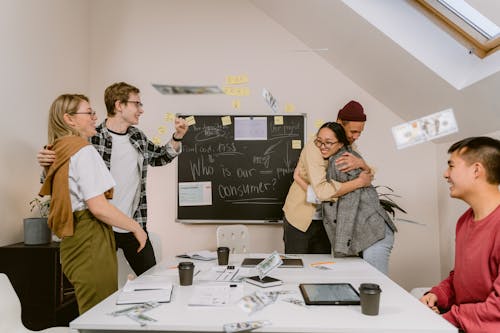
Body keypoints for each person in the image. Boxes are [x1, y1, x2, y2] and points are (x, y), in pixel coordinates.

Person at [38, 82, 188, 276]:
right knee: (102, 283)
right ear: (119, 105)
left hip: (133, 224)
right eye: (137, 104)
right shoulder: (90, 137)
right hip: (100, 226)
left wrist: (177, 137)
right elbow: (57, 178)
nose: (141, 110)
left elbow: (159, 157)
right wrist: (46, 163)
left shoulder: (137, 137)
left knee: (153, 279)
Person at [39, 94, 147, 314]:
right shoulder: (83, 150)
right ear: (69, 119)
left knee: (90, 309)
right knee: (98, 313)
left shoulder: (59, 149)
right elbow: (98, 207)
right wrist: (136, 227)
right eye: (89, 112)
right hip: (89, 237)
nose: (94, 117)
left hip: (72, 241)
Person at [419, 136, 500, 333]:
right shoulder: (464, 221)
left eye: (452, 166)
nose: (446, 174)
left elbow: (497, 310)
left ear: (476, 170)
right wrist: (437, 294)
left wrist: (446, 318)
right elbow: (462, 277)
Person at [282, 100, 372, 254]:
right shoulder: (315, 146)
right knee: (298, 269)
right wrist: (358, 183)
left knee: (322, 270)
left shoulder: (348, 147)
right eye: (353, 131)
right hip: (301, 218)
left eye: (359, 132)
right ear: (339, 124)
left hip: (327, 220)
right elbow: (322, 191)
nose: (356, 137)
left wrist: (361, 164)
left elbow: (369, 175)